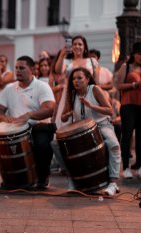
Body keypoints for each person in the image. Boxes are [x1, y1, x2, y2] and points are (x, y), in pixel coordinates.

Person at [0, 56, 56, 189]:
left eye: (22, 68)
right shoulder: (9, 88)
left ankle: (43, 177)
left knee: (43, 144)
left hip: (38, 127)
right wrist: (6, 119)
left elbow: (49, 109)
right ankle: (14, 174)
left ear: (32, 69)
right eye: (16, 68)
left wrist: (29, 115)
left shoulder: (42, 86)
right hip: (15, 129)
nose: (18, 71)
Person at [60, 67, 121, 196]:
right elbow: (63, 117)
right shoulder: (71, 94)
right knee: (55, 145)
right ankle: (72, 178)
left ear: (87, 80)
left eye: (79, 78)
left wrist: (91, 106)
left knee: (113, 145)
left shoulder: (94, 89)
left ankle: (113, 182)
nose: (76, 81)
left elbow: (110, 111)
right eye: (74, 79)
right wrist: (67, 114)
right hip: (80, 131)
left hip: (101, 125)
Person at [54, 35, 99, 129]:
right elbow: (57, 71)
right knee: (71, 122)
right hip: (71, 94)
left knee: (90, 121)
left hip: (89, 93)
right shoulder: (67, 61)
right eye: (74, 44)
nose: (77, 46)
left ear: (85, 47)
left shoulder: (92, 61)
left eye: (80, 44)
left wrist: (97, 95)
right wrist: (62, 55)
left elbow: (96, 82)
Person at [116, 41, 141, 179]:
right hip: (128, 105)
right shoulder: (126, 67)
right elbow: (118, 85)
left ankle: (139, 166)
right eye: (139, 54)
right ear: (134, 54)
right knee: (127, 136)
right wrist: (134, 84)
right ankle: (125, 167)